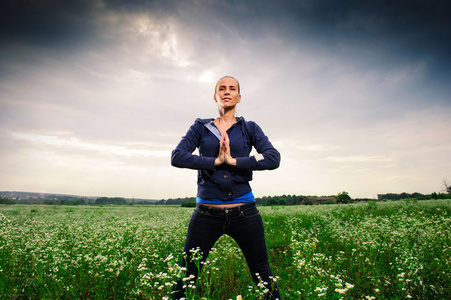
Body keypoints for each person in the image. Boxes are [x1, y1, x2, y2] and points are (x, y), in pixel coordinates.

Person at [170, 76, 281, 300]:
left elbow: (273, 158)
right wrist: (215, 162)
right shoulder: (200, 127)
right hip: (206, 214)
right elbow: (177, 157)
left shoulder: (249, 128)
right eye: (222, 88)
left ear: (239, 97)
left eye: (232, 89)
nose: (227, 92)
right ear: (215, 96)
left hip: (245, 213)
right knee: (186, 275)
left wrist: (234, 162)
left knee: (263, 274)